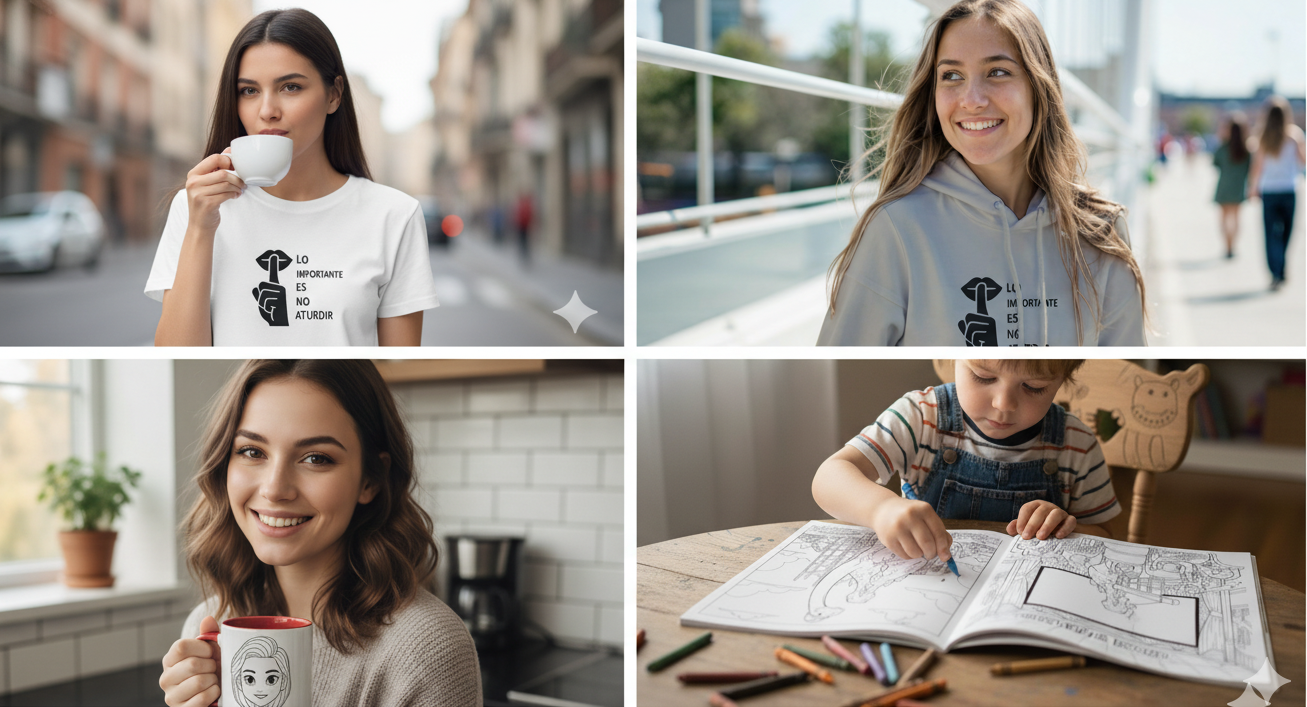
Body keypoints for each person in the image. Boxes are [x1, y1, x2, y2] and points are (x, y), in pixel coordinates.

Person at [819, 0, 1146, 346]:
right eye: (952, 76)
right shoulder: (897, 229)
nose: (971, 99)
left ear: (1039, 86)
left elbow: (1125, 379)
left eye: (998, 72)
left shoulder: (1100, 231)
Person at [158, 360, 481, 707]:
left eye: (316, 458)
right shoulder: (209, 630)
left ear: (370, 480)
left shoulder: (428, 648)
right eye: (252, 452)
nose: (275, 489)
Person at [146, 9, 438, 346]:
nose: (267, 109)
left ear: (334, 95)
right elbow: (178, 356)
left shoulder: (394, 216)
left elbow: (393, 369)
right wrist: (200, 228)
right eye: (249, 91)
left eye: (290, 87)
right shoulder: (196, 206)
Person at [812, 359, 1118, 565]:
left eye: (1034, 387)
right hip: (925, 583)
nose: (1003, 405)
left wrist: (1063, 526)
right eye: (983, 376)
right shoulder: (922, 417)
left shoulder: (1076, 443)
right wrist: (881, 509)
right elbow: (830, 476)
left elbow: (1105, 537)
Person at [1247, 95, 1306, 291]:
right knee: (1287, 232)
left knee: (1270, 233)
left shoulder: (1262, 136)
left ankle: (1276, 270)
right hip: (1289, 188)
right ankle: (1280, 266)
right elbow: (1302, 161)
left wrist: (1253, 187)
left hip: (1270, 190)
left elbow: (1257, 167)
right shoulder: (1294, 135)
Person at [1212, 113, 1251, 259]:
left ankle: (1227, 246)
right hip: (1239, 188)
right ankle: (1232, 246)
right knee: (1236, 219)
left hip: (1224, 188)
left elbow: (1215, 163)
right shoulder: (1247, 150)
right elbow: (1250, 169)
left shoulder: (1223, 148)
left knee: (1224, 219)